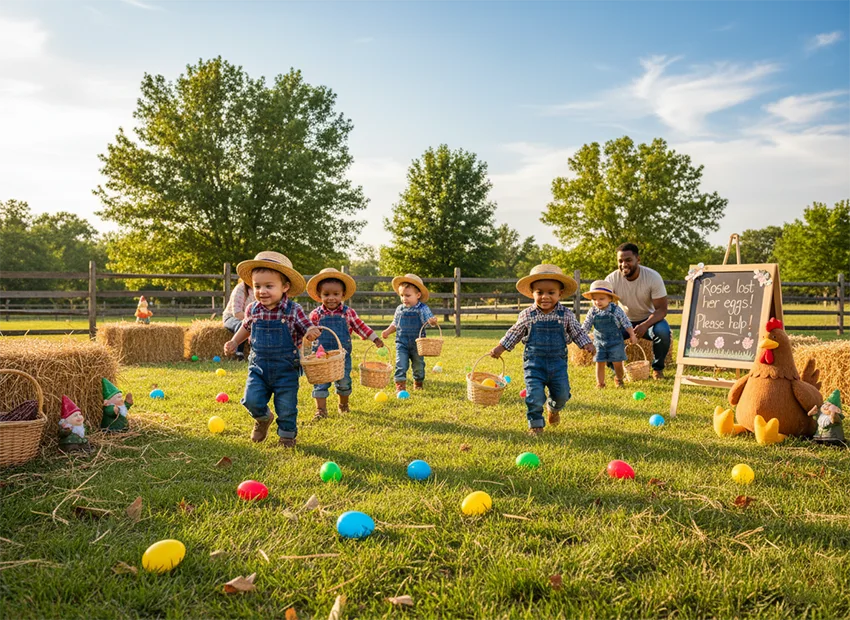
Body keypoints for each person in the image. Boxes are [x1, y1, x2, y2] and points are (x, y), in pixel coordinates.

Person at [224, 251, 320, 448]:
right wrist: (234, 342)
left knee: (286, 407)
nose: (262, 291)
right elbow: (246, 327)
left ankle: (286, 436)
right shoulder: (253, 309)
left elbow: (306, 325)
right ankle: (262, 418)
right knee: (251, 399)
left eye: (269, 286)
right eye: (257, 286)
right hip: (258, 368)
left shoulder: (293, 310)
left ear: (285, 287)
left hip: (286, 369)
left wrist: (310, 331)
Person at [489, 265, 595, 435]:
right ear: (533, 294)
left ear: (560, 294)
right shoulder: (527, 315)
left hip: (558, 365)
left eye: (551, 293)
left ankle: (553, 408)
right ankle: (536, 425)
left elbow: (577, 331)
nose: (545, 297)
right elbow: (514, 333)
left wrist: (586, 344)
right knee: (534, 395)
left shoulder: (566, 314)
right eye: (540, 292)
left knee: (562, 394)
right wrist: (500, 348)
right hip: (534, 364)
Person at [306, 268, 384, 420]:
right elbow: (307, 331)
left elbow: (361, 326)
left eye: (336, 294)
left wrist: (374, 338)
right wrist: (308, 337)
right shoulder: (316, 314)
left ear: (342, 295)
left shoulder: (348, 313)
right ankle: (321, 410)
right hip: (321, 356)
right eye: (326, 294)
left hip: (342, 356)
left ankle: (343, 405)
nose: (331, 298)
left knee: (344, 381)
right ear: (319, 296)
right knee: (320, 382)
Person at [605, 243, 671, 379]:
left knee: (663, 332)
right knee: (605, 333)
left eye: (628, 260)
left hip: (649, 320)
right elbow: (604, 306)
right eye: (620, 261)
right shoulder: (611, 279)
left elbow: (662, 310)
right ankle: (616, 371)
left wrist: (645, 325)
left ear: (638, 260)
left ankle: (657, 369)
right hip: (624, 320)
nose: (624, 264)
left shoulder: (653, 277)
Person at [381, 274, 438, 393]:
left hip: (418, 344)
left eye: (407, 295)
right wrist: (387, 331)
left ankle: (418, 382)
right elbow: (395, 324)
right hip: (402, 343)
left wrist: (432, 322)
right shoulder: (399, 309)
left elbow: (429, 320)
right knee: (400, 364)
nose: (404, 299)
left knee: (418, 366)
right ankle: (400, 385)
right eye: (401, 295)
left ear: (418, 295)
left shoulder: (422, 308)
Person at [582, 280, 637, 389]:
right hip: (599, 342)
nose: (597, 302)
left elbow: (626, 322)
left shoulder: (616, 310)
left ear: (610, 299)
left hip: (615, 341)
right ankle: (600, 383)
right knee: (599, 362)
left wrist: (632, 335)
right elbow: (586, 326)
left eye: (601, 299)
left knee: (617, 362)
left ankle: (619, 379)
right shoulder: (592, 311)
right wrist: (583, 339)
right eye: (594, 299)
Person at [222, 278, 255, 360]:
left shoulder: (260, 290)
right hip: (231, 317)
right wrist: (253, 319)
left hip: (251, 318)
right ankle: (238, 353)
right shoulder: (240, 289)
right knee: (243, 324)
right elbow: (237, 313)